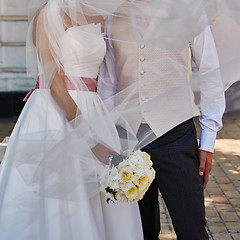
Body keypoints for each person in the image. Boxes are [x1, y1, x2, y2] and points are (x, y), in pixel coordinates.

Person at [0, 1, 144, 240]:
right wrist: (89, 137)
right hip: (54, 113)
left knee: (101, 191)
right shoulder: (47, 14)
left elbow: (107, 77)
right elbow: (55, 84)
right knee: (55, 194)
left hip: (94, 108)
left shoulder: (99, 15)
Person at [98, 2, 226, 240]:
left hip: (175, 135)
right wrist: (108, 138)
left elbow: (210, 73)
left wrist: (207, 140)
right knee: (139, 232)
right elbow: (108, 84)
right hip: (127, 140)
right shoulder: (113, 15)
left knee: (192, 229)